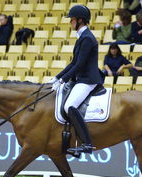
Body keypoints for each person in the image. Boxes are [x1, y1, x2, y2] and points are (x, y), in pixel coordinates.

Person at [49, 5, 104, 155]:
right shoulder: (82, 37)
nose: (70, 22)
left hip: (88, 80)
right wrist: (57, 77)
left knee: (70, 106)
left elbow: (80, 65)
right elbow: (74, 62)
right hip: (82, 78)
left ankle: (87, 143)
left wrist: (63, 81)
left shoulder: (87, 38)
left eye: (72, 20)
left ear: (80, 20)